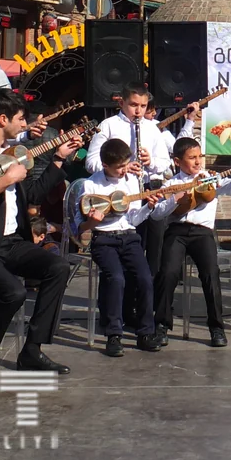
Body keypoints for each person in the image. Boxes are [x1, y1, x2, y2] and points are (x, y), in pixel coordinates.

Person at [0, 88, 82, 375]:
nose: (25, 125)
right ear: (3, 119)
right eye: (21, 119)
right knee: (14, 292)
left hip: (12, 241)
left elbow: (32, 194)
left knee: (58, 267)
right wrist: (6, 179)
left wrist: (58, 159)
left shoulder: (14, 152)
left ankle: (32, 350)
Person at [150, 137, 231, 348]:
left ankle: (216, 328)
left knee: (211, 274)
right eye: (191, 158)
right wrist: (175, 199)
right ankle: (161, 326)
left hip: (202, 233)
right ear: (177, 161)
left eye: (199, 156)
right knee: (167, 273)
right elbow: (156, 214)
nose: (197, 162)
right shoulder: (171, 184)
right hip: (177, 231)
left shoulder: (211, 179)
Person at [79, 138, 166, 357]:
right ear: (105, 165)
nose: (124, 170)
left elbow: (134, 219)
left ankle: (145, 332)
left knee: (145, 278)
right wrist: (93, 222)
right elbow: (81, 225)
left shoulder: (132, 181)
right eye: (119, 167)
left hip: (129, 236)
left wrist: (148, 207)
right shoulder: (91, 185)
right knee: (116, 278)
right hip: (104, 239)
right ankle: (113, 334)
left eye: (126, 164)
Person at [86, 82, 173, 277]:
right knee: (129, 253)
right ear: (122, 103)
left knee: (153, 249)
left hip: (148, 189)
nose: (138, 111)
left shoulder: (152, 128)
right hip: (119, 194)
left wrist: (150, 161)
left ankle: (147, 292)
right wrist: (122, 167)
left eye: (143, 106)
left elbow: (164, 163)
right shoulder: (108, 126)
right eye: (133, 105)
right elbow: (91, 163)